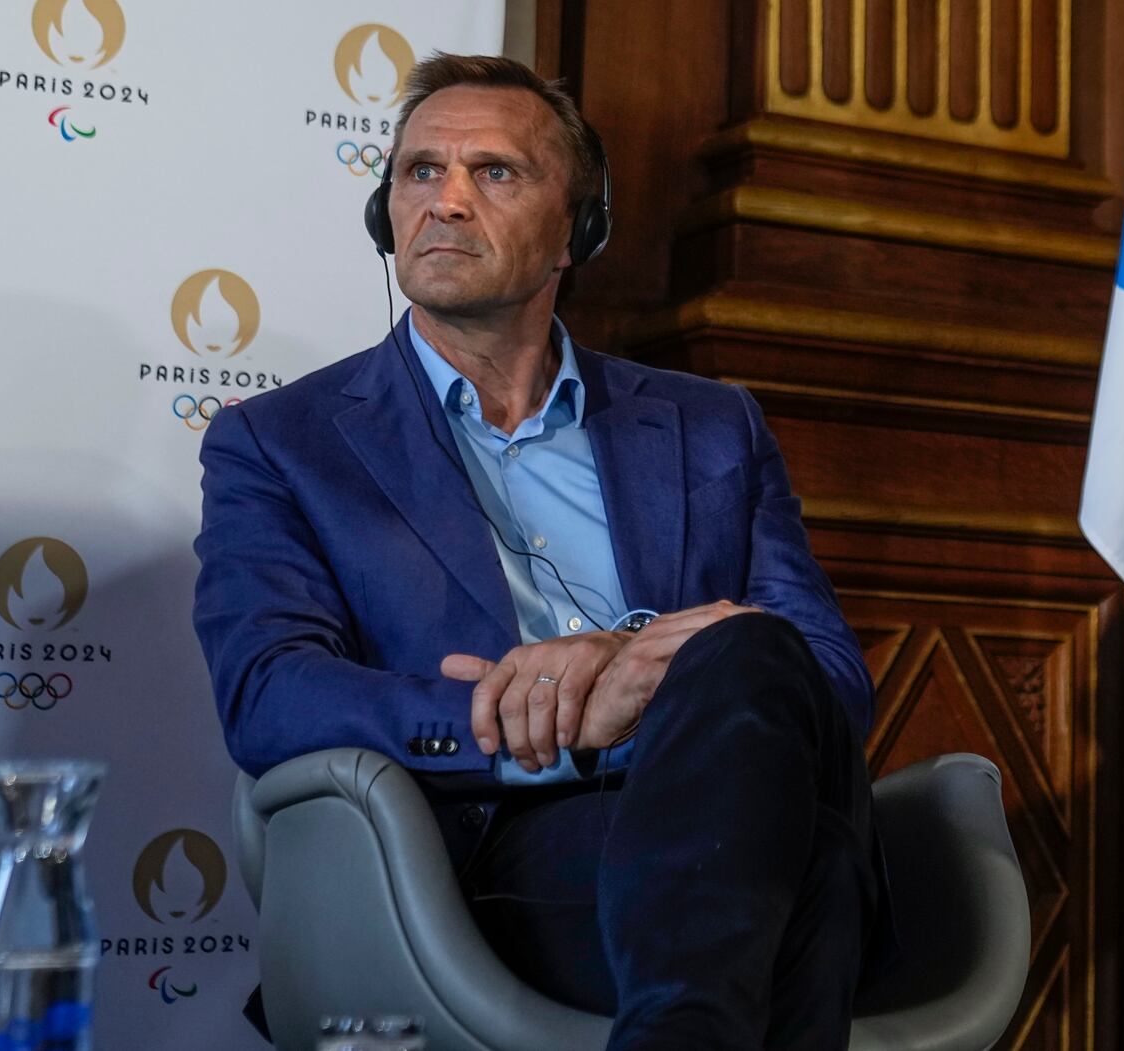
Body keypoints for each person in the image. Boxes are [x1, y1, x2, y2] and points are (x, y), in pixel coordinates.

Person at [193, 53, 881, 1051]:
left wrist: (634, 655)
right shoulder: (282, 443)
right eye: (419, 172)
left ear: (579, 230)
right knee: (804, 867)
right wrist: (539, 721)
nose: (446, 203)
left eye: (496, 173)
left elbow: (830, 681)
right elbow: (269, 690)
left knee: (755, 654)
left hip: (731, 821)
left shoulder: (711, 427)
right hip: (492, 863)